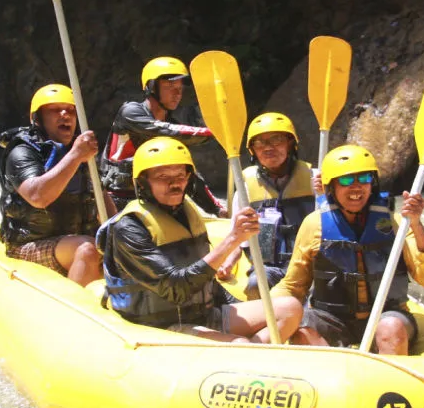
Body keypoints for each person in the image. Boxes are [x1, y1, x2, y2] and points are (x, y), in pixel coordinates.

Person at [96, 136, 302, 342]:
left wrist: (235, 304)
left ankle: (257, 356)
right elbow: (176, 288)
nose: (174, 183)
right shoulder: (129, 228)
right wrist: (233, 239)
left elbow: (207, 283)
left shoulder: (186, 213)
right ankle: (248, 355)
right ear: (142, 182)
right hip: (160, 325)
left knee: (289, 309)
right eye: (162, 176)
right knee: (239, 343)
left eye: (180, 175)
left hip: (202, 315)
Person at [271, 144, 424, 355]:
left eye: (363, 179)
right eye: (345, 180)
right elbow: (293, 285)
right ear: (331, 188)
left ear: (372, 184)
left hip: (385, 315)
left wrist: (416, 225)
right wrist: (270, 309)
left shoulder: (397, 224)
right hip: (331, 319)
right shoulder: (314, 224)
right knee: (303, 331)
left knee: (390, 328)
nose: (356, 187)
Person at [0, 83, 115, 287]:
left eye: (70, 110)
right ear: (37, 118)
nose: (65, 115)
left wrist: (121, 235)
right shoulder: (21, 152)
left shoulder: (82, 151)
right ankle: (76, 311)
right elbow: (38, 197)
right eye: (54, 110)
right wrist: (76, 155)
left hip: (71, 241)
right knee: (87, 249)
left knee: (118, 244)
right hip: (29, 245)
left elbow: (100, 196)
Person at [99, 56, 227, 215]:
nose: (177, 93)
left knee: (181, 167)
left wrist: (217, 209)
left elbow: (190, 175)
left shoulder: (171, 122)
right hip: (118, 199)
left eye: (180, 88)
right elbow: (165, 130)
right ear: (152, 87)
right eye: (170, 86)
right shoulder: (131, 112)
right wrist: (212, 132)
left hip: (154, 198)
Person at [216, 112, 322, 297]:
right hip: (269, 267)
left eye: (276, 139)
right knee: (256, 285)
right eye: (260, 143)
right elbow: (238, 234)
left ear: (290, 143)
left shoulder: (315, 178)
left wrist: (324, 195)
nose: (268, 148)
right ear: (253, 150)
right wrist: (229, 262)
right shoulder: (245, 186)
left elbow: (335, 221)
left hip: (308, 265)